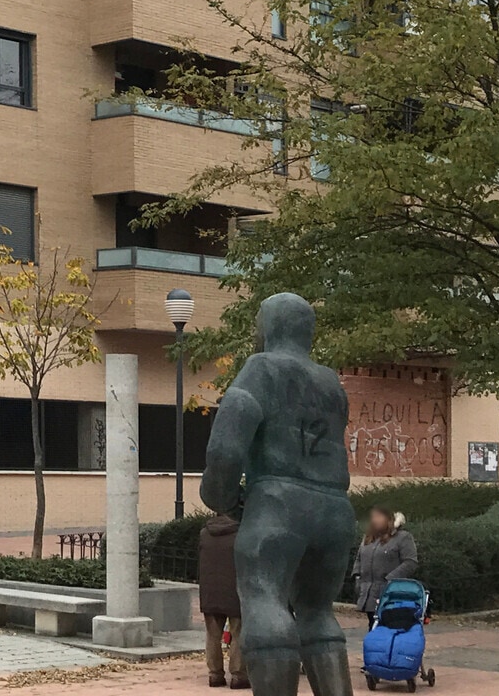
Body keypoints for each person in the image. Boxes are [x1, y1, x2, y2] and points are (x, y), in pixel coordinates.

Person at [200, 292, 357, 696]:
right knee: (319, 612)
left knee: (264, 599)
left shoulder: (261, 369)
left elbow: (223, 449)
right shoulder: (331, 384)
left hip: (278, 503)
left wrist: (221, 498)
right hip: (335, 509)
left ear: (267, 328)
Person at [198, 511, 249, 689]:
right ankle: (238, 675)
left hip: (210, 590)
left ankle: (215, 675)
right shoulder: (241, 534)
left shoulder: (204, 533)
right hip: (235, 591)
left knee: (212, 634)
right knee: (238, 632)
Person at [352, 507, 418, 621]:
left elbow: (410, 562)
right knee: (372, 625)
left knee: (387, 626)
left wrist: (390, 579)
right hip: (368, 591)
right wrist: (357, 576)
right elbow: (359, 558)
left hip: (390, 593)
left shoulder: (403, 537)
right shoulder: (368, 537)